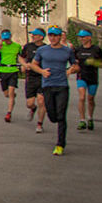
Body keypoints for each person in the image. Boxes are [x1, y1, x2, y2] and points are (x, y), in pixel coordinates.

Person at [31, 25, 79, 156]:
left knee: (61, 115)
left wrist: (71, 70)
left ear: (60, 36)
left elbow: (76, 65)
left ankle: (60, 144)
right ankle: (54, 120)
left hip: (62, 85)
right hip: (47, 85)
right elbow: (33, 65)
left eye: (55, 35)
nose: (52, 38)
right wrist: (42, 71)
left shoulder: (67, 51)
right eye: (50, 35)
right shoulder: (42, 50)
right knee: (52, 116)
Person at [72, 30, 102, 130]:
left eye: (83, 37)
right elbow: (74, 62)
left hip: (93, 77)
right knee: (82, 97)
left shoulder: (96, 49)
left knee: (90, 99)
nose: (81, 39)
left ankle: (90, 118)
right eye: (80, 37)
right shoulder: (78, 50)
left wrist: (93, 62)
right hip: (81, 76)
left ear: (89, 38)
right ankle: (82, 120)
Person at [19, 28, 48, 133]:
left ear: (41, 37)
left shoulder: (46, 48)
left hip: (42, 77)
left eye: (35, 35)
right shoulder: (28, 47)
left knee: (41, 101)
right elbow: (20, 57)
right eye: (32, 35)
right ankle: (33, 108)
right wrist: (24, 64)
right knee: (29, 103)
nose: (32, 36)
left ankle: (40, 124)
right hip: (30, 77)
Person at [0, 29, 22, 122]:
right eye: (4, 39)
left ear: (11, 36)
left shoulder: (17, 46)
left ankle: (9, 113)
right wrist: (0, 48)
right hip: (3, 70)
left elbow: (20, 57)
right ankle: (11, 96)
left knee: (11, 91)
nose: (6, 41)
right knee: (6, 94)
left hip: (13, 70)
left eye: (8, 39)